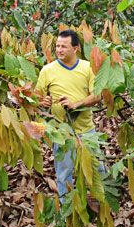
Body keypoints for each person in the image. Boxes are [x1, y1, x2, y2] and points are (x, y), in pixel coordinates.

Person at [35, 29, 105, 201]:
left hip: (86, 130)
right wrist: (42, 101)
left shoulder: (87, 68)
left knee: (98, 171)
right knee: (64, 174)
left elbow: (97, 95)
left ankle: (102, 205)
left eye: (64, 47)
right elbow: (36, 96)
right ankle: (68, 212)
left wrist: (75, 105)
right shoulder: (47, 70)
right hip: (62, 132)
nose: (59, 50)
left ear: (75, 48)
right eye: (57, 46)